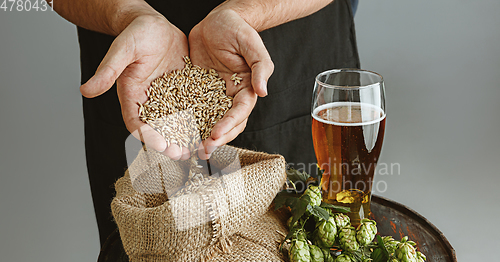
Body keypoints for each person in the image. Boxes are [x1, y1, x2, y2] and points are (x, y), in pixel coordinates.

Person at [53, 0, 360, 247]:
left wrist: (248, 10)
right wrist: (126, 13)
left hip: (293, 59)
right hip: (138, 71)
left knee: (307, 258)